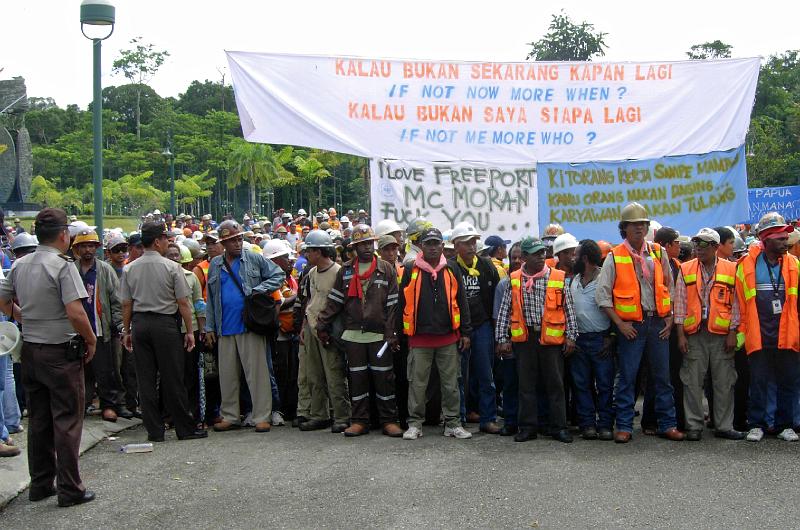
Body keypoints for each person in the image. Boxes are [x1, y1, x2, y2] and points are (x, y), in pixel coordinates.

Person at [0, 208, 97, 505]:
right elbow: (75, 311)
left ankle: (41, 483)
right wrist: (91, 338)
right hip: (60, 351)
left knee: (40, 420)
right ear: (63, 234)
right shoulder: (63, 266)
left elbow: (3, 298)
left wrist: (22, 316)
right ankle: (70, 488)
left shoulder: (20, 264)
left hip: (31, 349)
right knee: (67, 419)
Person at [596, 202, 684, 443]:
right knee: (627, 378)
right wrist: (620, 325)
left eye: (642, 224)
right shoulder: (615, 256)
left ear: (647, 228)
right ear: (624, 228)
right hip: (631, 327)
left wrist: (669, 317)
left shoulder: (658, 252)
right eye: (633, 224)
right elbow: (602, 297)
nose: (639, 228)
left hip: (657, 323)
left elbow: (670, 287)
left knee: (662, 378)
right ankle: (624, 426)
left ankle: (668, 424)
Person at [120, 222, 207, 443]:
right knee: (173, 377)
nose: (168, 242)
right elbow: (183, 303)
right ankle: (184, 427)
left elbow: (126, 305)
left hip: (140, 324)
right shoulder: (172, 267)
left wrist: (127, 330)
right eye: (166, 238)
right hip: (166, 325)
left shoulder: (130, 268)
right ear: (157, 240)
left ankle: (154, 430)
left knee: (146, 379)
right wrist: (189, 330)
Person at [317, 225, 403, 437]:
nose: (366, 247)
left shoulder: (386, 269)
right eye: (361, 244)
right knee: (357, 379)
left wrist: (392, 333)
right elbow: (335, 301)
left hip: (379, 334)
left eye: (369, 243)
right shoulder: (345, 270)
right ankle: (359, 421)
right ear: (354, 247)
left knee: (384, 379)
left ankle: (389, 420)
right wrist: (322, 324)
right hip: (353, 334)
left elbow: (393, 305)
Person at [205, 220, 285, 433]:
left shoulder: (254, 258)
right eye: (231, 240)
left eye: (239, 238)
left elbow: (278, 275)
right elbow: (211, 299)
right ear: (223, 243)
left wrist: (259, 289)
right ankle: (230, 415)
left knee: (257, 373)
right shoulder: (215, 264)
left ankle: (262, 415)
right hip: (225, 326)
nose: (237, 243)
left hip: (250, 325)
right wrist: (210, 327)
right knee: (228, 375)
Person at [495, 237, 577, 443]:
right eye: (536, 254)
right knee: (526, 385)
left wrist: (571, 336)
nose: (541, 257)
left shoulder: (557, 277)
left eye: (542, 253)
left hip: (551, 340)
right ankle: (528, 427)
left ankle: (559, 427)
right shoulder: (514, 279)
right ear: (524, 258)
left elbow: (569, 310)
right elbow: (506, 310)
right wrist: (502, 338)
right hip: (526, 339)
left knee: (555, 385)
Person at [399, 227, 473, 440]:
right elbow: (402, 302)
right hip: (419, 338)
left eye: (436, 243)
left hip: (448, 337)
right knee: (417, 384)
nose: (432, 247)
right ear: (421, 246)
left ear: (443, 246)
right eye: (428, 243)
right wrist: (398, 333)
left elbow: (462, 302)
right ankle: (415, 424)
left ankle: (453, 423)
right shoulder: (411, 268)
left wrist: (465, 332)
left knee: (451, 384)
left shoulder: (452, 269)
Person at [735, 212, 800, 443]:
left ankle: (785, 425)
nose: (786, 242)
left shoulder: (794, 264)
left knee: (788, 381)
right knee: (759, 381)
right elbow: (739, 302)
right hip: (759, 333)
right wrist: (739, 332)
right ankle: (757, 424)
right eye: (781, 238)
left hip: (788, 333)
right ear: (766, 239)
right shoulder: (746, 265)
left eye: (786, 238)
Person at [674, 228, 743, 441]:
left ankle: (724, 426)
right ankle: (694, 425)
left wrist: (733, 331)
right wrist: (681, 335)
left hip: (722, 335)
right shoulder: (685, 269)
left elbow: (736, 304)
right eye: (696, 244)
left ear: (715, 247)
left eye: (703, 245)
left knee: (724, 381)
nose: (698, 249)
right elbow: (679, 303)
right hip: (694, 333)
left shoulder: (732, 269)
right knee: (692, 381)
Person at [295, 230, 351, 432]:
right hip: (311, 327)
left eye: (310, 250)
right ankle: (319, 414)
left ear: (319, 251)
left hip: (329, 329)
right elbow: (309, 301)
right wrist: (304, 327)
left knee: (334, 372)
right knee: (314, 374)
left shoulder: (338, 272)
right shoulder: (311, 273)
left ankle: (342, 416)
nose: (307, 254)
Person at [449, 222, 501, 434]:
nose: (471, 246)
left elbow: (497, 299)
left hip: (483, 328)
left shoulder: (487, 266)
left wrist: (497, 330)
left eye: (473, 242)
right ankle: (459, 418)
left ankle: (487, 419)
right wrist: (461, 331)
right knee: (458, 375)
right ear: (455, 246)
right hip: (458, 329)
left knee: (486, 375)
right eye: (466, 243)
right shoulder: (451, 267)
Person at [72, 229, 128, 422]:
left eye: (91, 246)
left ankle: (109, 405)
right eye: (83, 246)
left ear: (96, 248)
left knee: (105, 370)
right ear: (77, 249)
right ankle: (82, 404)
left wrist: (119, 325)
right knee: (79, 372)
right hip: (76, 330)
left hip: (100, 328)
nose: (87, 250)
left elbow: (116, 300)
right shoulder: (71, 269)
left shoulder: (104, 269)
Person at [570, 239, 615, 441]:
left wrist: (611, 336)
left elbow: (617, 307)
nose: (573, 258)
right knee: (582, 384)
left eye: (576, 255)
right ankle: (587, 424)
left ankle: (605, 425)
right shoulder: (574, 280)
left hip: (600, 340)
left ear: (585, 258)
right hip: (579, 339)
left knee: (604, 384)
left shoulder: (604, 278)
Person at [263, 240, 299, 426]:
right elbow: (281, 302)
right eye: (286, 258)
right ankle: (279, 408)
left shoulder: (289, 278)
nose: (290, 261)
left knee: (292, 373)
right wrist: (297, 297)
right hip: (279, 333)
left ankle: (291, 408)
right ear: (275, 260)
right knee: (280, 372)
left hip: (291, 332)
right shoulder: (270, 279)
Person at [492, 241, 523, 436]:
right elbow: (497, 317)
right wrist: (502, 340)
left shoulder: (538, 281)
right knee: (510, 383)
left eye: (521, 257)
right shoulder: (504, 284)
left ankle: (532, 421)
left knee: (531, 385)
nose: (517, 261)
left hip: (530, 344)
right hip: (510, 344)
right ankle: (510, 421)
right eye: (514, 258)